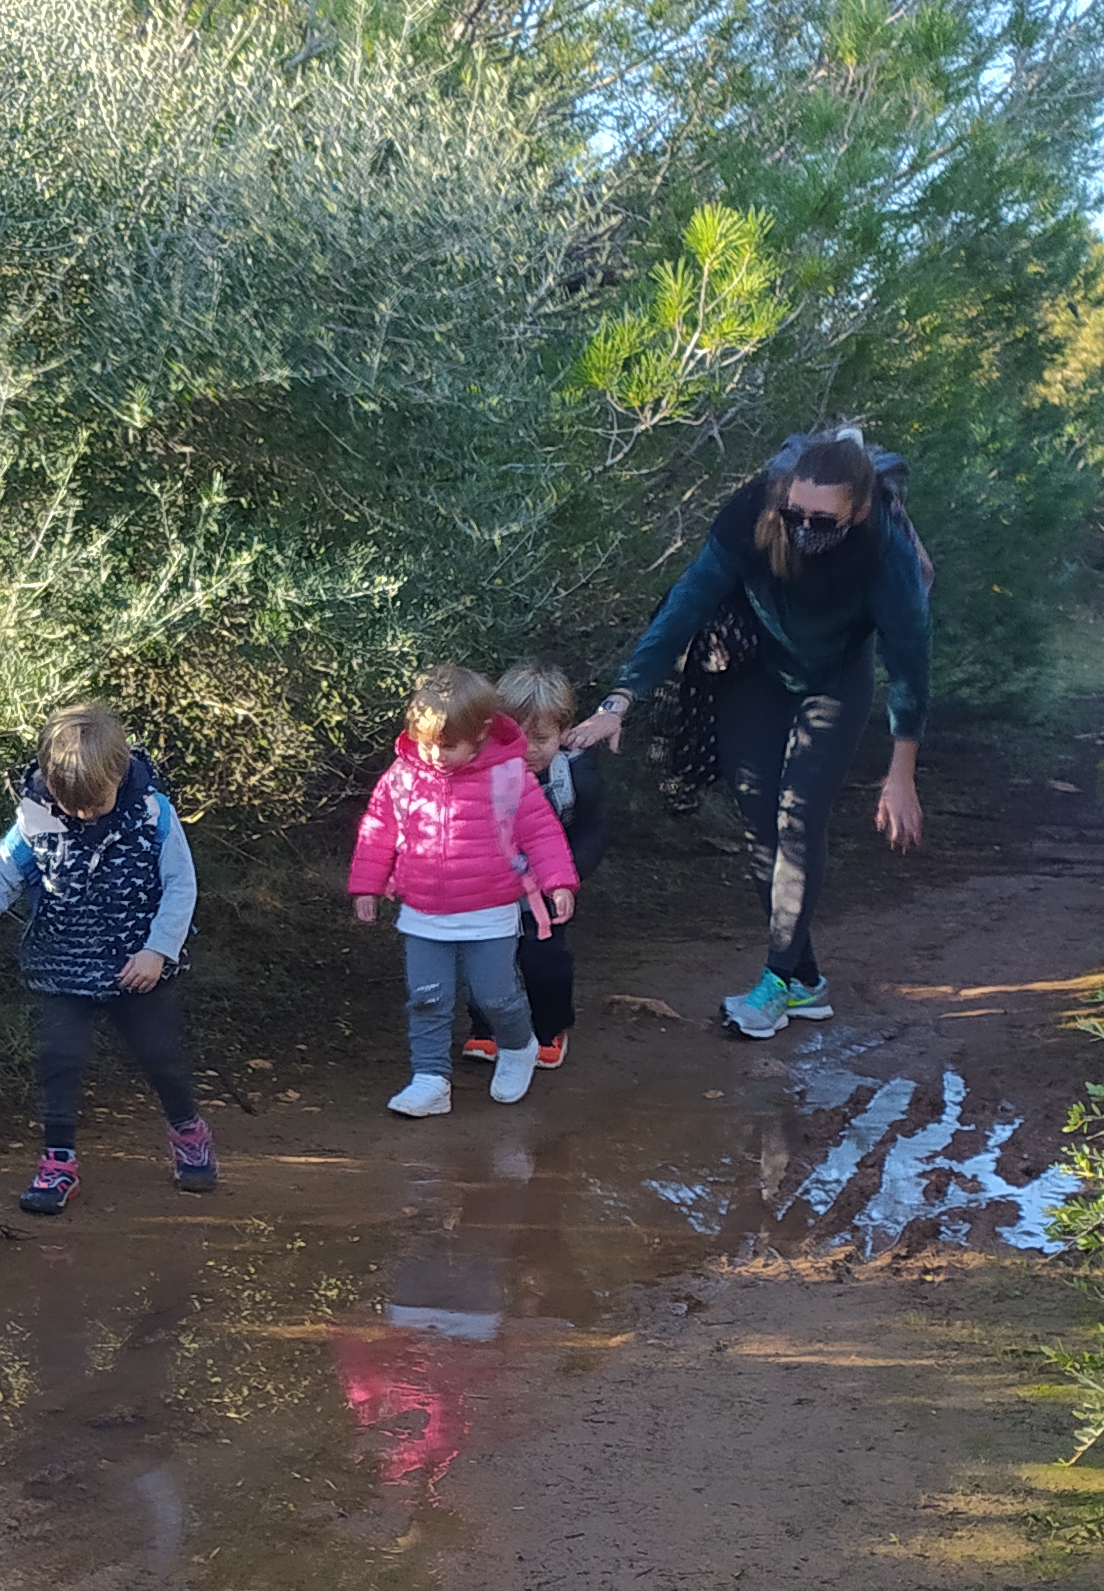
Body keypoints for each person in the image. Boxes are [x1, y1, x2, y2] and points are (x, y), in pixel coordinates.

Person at [560, 429, 929, 1038]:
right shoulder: (752, 516)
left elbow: (911, 661)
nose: (805, 527)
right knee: (760, 818)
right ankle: (805, 980)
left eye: (823, 518)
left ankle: (778, 981)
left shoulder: (883, 551)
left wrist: (901, 772)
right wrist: (619, 700)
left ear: (858, 510)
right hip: (756, 670)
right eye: (796, 513)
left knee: (799, 817)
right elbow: (685, 604)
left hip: (837, 678)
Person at [0, 701, 215, 1216]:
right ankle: (58, 1163)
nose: (84, 814)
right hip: (62, 967)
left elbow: (181, 885)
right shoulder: (35, 821)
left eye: (96, 802)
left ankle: (187, 1130)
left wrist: (158, 949)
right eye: (72, 804)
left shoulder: (153, 814)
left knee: (159, 1057)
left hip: (139, 968)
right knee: (58, 1061)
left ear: (120, 772)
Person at [349, 665, 580, 1118]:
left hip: (490, 908)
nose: (434, 754)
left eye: (448, 745)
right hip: (424, 911)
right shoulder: (402, 775)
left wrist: (559, 882)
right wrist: (367, 885)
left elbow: (542, 833)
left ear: (478, 736)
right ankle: (430, 1077)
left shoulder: (508, 776)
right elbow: (377, 831)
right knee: (427, 995)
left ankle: (517, 1047)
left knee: (495, 994)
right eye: (426, 741)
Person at [459, 658, 609, 1073]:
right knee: (486, 960)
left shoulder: (577, 776)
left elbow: (594, 831)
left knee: (545, 962)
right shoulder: (477, 771)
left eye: (541, 737)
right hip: (489, 889)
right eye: (516, 735)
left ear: (564, 733)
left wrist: (568, 877)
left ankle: (549, 1029)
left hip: (547, 891)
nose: (528, 748)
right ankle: (485, 1028)